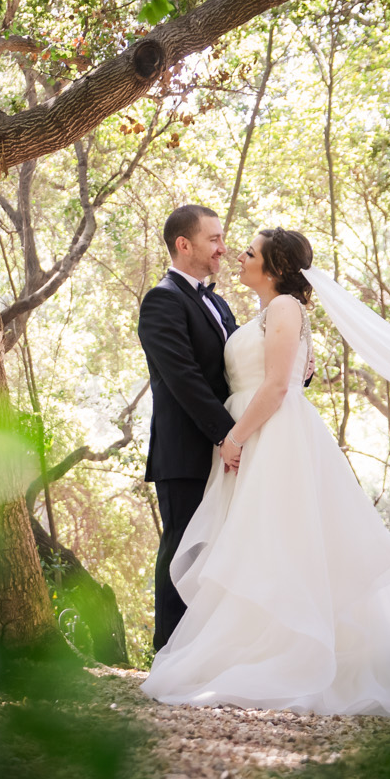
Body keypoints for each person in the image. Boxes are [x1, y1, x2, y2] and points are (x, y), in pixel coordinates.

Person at [143, 227, 390, 719]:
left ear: (272, 268)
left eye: (249, 251)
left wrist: (234, 435)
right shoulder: (252, 310)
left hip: (269, 435)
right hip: (254, 437)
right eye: (229, 243)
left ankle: (295, 655)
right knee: (259, 545)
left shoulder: (284, 308)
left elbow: (275, 387)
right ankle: (254, 647)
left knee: (283, 541)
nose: (237, 255)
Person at [136, 205, 240, 653]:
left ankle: (209, 655)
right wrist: (227, 435)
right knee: (182, 552)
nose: (223, 247)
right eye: (214, 239)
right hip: (187, 453)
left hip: (226, 449)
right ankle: (169, 656)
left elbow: (240, 364)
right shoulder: (161, 301)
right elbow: (183, 378)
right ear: (184, 244)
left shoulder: (217, 301)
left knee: (221, 553)